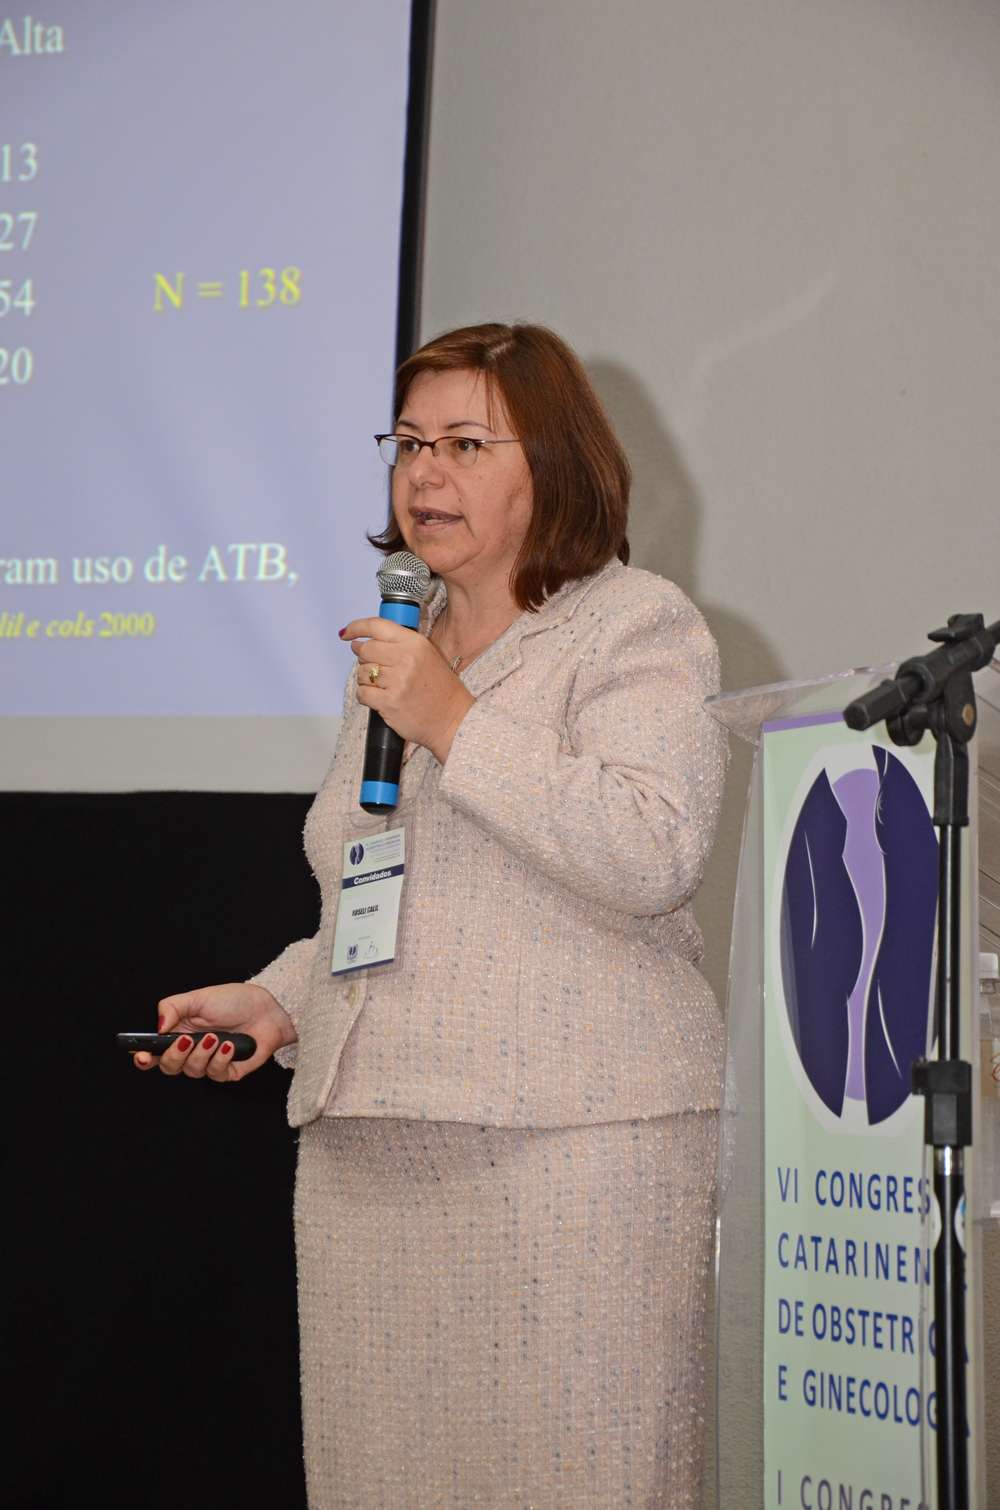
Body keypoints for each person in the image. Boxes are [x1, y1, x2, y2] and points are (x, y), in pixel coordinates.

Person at [136, 322, 728, 1508]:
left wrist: (453, 720)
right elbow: (386, 884)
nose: (424, 473)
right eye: (408, 443)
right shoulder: (403, 646)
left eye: (464, 443)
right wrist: (277, 1000)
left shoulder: (632, 623)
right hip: (372, 1154)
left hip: (571, 1152)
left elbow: (652, 845)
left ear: (551, 464)